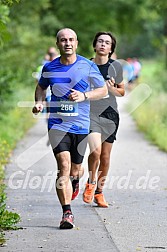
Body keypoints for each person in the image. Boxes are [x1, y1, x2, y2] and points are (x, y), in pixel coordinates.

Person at [32, 28, 107, 229]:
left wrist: (84, 96)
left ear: (77, 42)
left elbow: (103, 90)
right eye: (63, 40)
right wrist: (39, 103)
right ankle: (67, 212)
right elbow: (41, 87)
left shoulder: (88, 66)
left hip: (81, 125)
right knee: (63, 165)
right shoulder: (49, 67)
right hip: (57, 124)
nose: (67, 43)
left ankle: (75, 181)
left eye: (71, 39)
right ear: (57, 44)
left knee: (76, 170)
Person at [83, 31, 125, 207]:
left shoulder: (116, 67)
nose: (102, 44)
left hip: (110, 115)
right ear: (94, 45)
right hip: (90, 113)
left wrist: (112, 89)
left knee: (106, 157)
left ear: (110, 48)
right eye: (100, 41)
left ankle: (99, 192)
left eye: (107, 43)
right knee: (95, 152)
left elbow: (122, 92)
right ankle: (91, 183)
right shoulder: (85, 66)